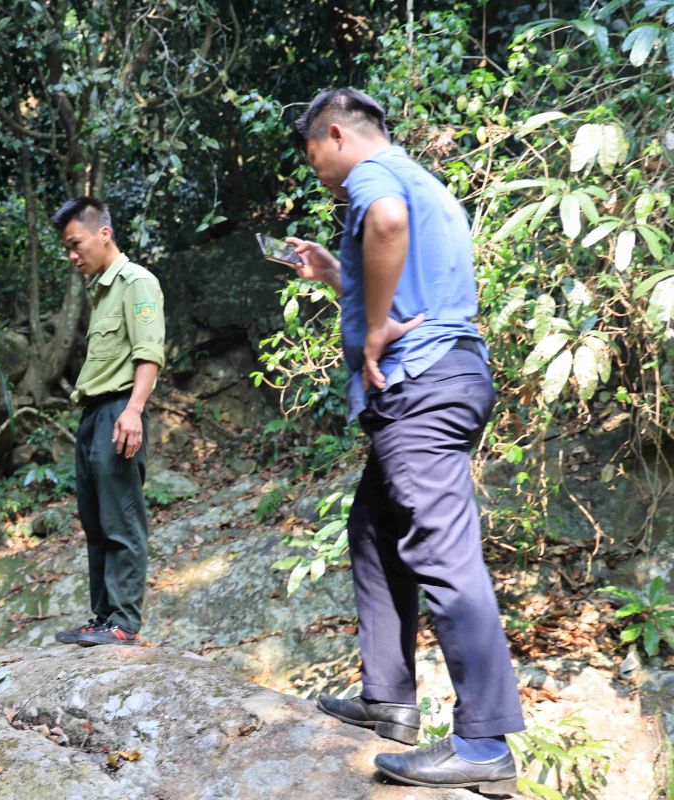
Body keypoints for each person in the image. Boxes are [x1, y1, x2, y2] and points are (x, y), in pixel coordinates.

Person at [286, 88, 524, 794]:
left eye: (314, 158)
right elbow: (414, 262)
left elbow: (385, 224)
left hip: (420, 388)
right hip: (449, 378)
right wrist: (340, 276)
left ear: (335, 134)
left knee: (442, 553)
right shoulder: (428, 183)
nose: (319, 173)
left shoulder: (373, 178)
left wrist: (379, 328)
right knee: (375, 528)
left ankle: (484, 743)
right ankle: (389, 699)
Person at [51, 197, 165, 647]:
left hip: (120, 408)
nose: (73, 255)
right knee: (96, 520)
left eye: (76, 244)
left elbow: (149, 352)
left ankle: (124, 622)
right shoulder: (101, 290)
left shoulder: (137, 282)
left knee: (121, 519)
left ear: (104, 234)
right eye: (67, 248)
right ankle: (103, 617)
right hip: (94, 412)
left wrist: (134, 410)